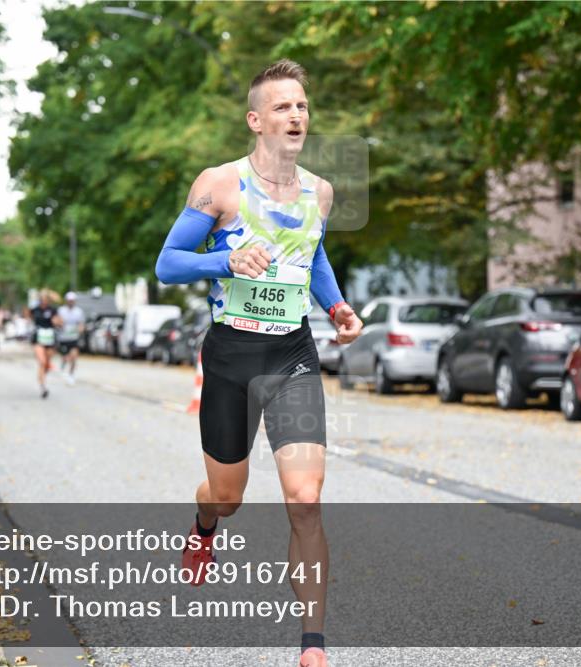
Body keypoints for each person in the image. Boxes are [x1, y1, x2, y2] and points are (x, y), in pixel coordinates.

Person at [154, 60, 362, 667]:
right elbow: (168, 263)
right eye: (281, 107)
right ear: (255, 120)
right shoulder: (219, 185)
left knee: (306, 497)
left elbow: (312, 254)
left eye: (301, 106)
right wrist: (226, 262)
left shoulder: (318, 192)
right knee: (228, 496)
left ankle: (313, 647)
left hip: (291, 352)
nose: (295, 115)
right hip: (231, 356)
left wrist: (338, 306)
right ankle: (203, 525)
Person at [30, 288, 61, 399]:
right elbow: (28, 316)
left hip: (50, 339)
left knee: (47, 363)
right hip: (38, 339)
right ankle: (43, 387)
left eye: (45, 298)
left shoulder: (53, 310)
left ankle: (43, 375)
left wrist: (56, 321)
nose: (43, 301)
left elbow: (60, 322)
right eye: (41, 298)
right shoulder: (35, 310)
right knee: (42, 362)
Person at [57, 291, 85, 385]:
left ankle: (71, 375)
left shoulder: (78, 311)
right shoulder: (61, 310)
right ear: (66, 301)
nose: (71, 302)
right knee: (65, 357)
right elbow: (57, 321)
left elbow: (81, 324)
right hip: (63, 338)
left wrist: (80, 330)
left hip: (73, 338)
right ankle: (63, 365)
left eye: (72, 300)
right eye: (69, 300)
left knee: (74, 357)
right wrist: (60, 324)